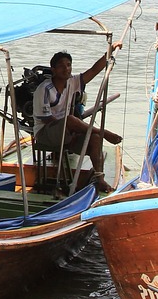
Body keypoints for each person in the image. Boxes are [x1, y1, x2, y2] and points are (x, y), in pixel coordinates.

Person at [32, 50, 122, 193]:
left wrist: (109, 52)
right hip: (46, 132)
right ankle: (104, 132)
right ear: (53, 70)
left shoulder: (72, 82)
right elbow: (47, 119)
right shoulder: (44, 90)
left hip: (67, 131)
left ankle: (100, 178)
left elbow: (93, 70)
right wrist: (70, 128)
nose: (66, 69)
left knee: (95, 138)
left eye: (69, 65)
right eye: (62, 66)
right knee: (70, 119)